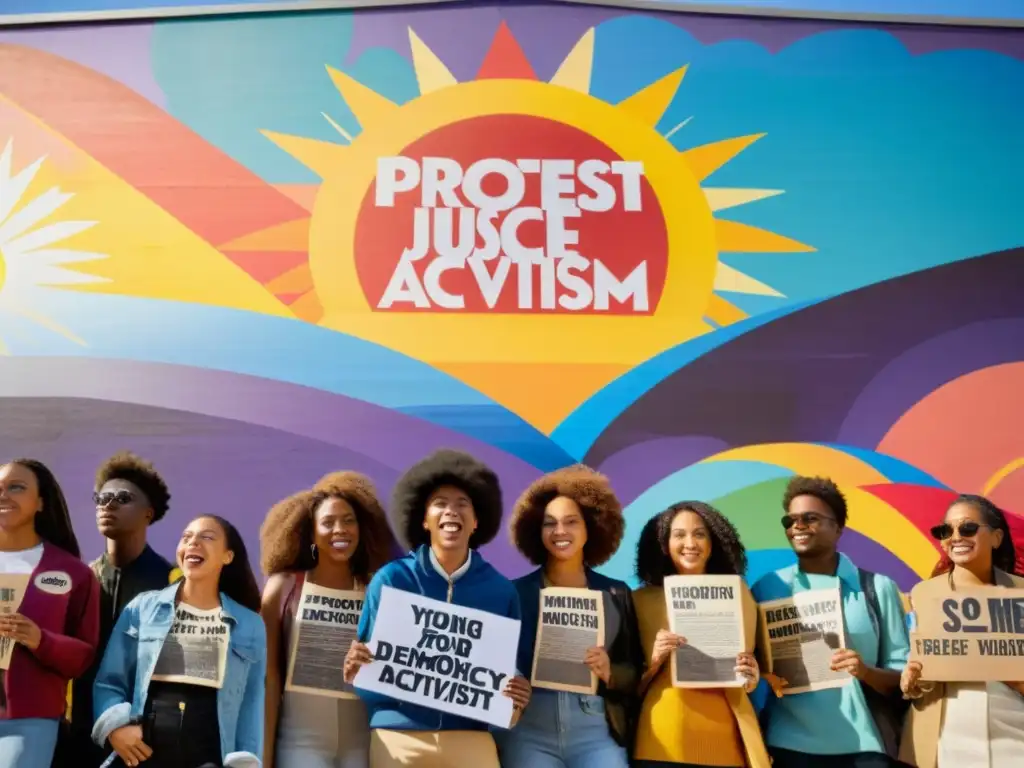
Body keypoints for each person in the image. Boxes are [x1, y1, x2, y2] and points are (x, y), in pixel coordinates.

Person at [342, 449, 531, 768]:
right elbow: (367, 667)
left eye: (462, 504)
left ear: (476, 521)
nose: (451, 511)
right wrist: (357, 668)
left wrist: (517, 693)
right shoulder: (391, 579)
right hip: (398, 735)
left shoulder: (501, 591)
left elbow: (510, 669)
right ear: (424, 519)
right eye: (440, 503)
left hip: (471, 736)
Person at [751, 476, 909, 768]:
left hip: (864, 746)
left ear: (838, 527)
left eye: (810, 518)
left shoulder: (877, 587)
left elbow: (903, 679)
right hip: (788, 745)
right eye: (790, 520)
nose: (797, 526)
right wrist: (763, 672)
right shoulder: (767, 586)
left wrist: (864, 671)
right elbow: (749, 659)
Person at [92, 515, 266, 768]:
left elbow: (251, 705)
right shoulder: (142, 608)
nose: (193, 543)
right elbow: (109, 681)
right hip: (143, 754)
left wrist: (247, 759)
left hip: (209, 755)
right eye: (186, 538)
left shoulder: (249, 623)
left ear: (228, 556)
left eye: (207, 537)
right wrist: (116, 728)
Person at [496, 465, 641, 768]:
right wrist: (513, 678)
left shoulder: (615, 593)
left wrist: (609, 671)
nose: (560, 531)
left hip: (596, 730)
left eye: (571, 522)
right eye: (549, 523)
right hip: (529, 729)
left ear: (591, 528)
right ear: (536, 531)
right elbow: (495, 663)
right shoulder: (514, 593)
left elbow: (635, 672)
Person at [260, 471, 395, 768]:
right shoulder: (284, 586)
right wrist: (265, 757)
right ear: (310, 533)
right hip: (299, 743)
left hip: (362, 744)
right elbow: (269, 679)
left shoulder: (377, 589)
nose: (340, 530)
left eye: (349, 520)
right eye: (328, 522)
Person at [632, 501, 767, 768]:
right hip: (661, 741)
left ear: (714, 541)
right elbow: (626, 685)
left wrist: (752, 676)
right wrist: (655, 659)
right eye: (679, 535)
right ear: (663, 543)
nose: (690, 543)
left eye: (700, 534)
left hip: (726, 741)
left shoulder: (738, 592)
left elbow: (750, 669)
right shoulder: (640, 600)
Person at [68, 452, 179, 768]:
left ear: (149, 512)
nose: (108, 504)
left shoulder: (173, 583)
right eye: (101, 498)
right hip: (80, 733)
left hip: (143, 738)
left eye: (122, 498)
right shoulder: (81, 579)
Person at [899, 494, 1024, 768]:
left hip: (1015, 742)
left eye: (967, 528)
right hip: (948, 746)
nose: (956, 537)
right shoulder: (923, 595)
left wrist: (1017, 681)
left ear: (996, 538)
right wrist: (912, 681)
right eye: (946, 530)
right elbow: (922, 666)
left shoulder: (1022, 594)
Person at [0, 459, 100, 768]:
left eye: (16, 487)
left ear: (41, 501)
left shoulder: (73, 573)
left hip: (28, 721)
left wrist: (40, 640)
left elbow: (83, 656)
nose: (3, 495)